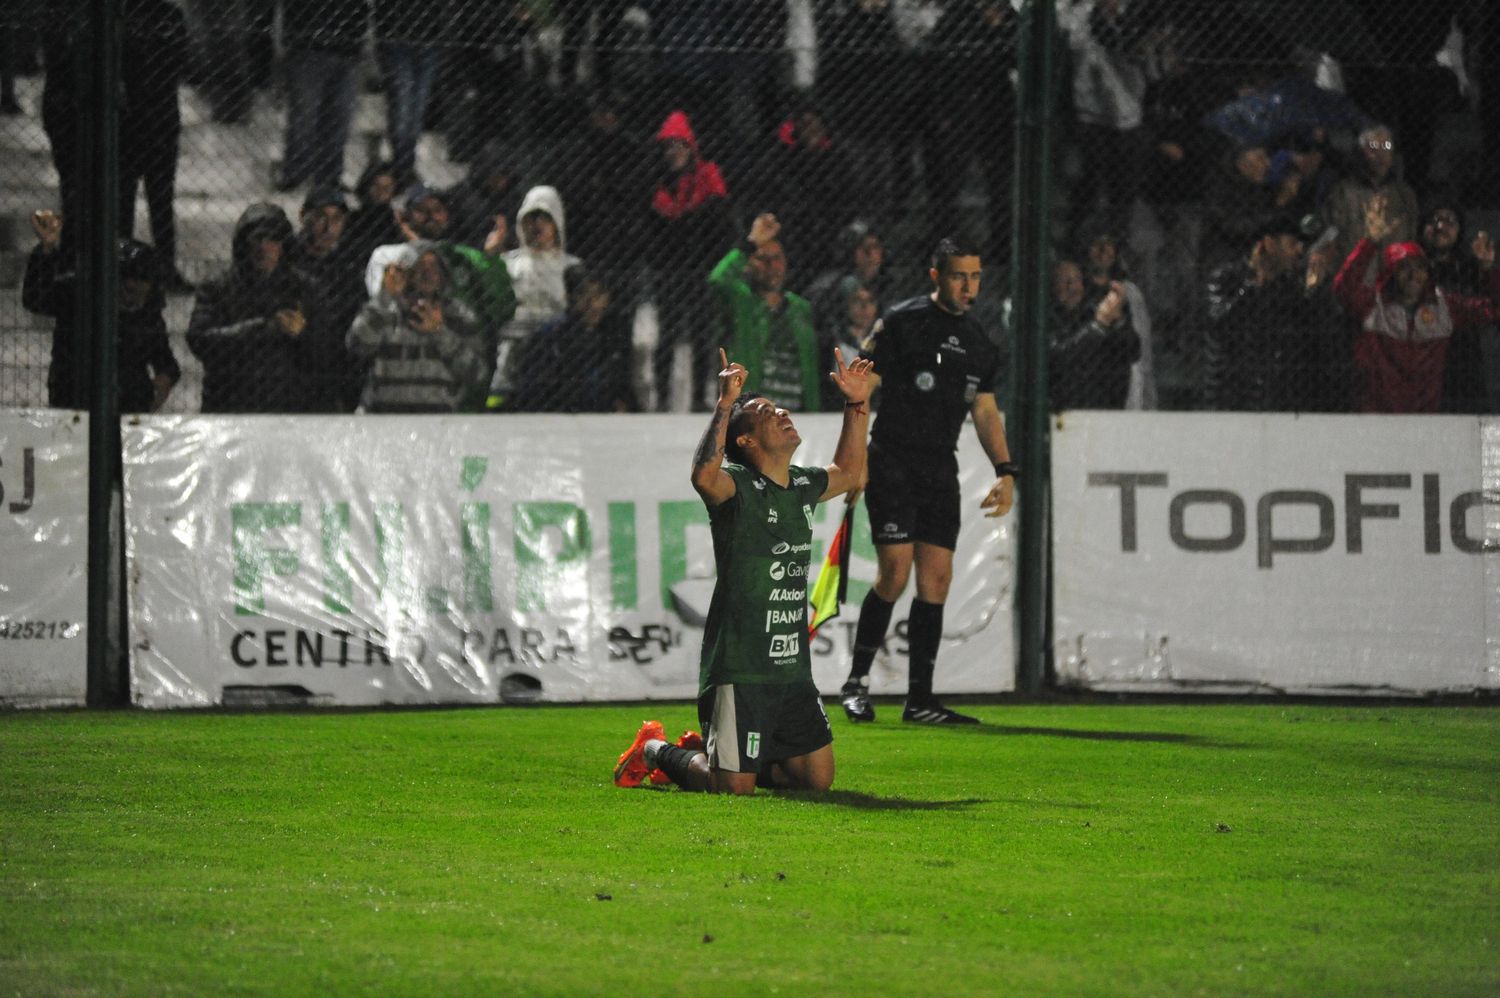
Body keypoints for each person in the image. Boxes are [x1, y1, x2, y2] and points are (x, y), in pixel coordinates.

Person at [612, 347, 876, 794]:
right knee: (732, 790)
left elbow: (850, 472)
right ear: (747, 442)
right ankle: (656, 750)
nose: (782, 412)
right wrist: (724, 405)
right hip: (740, 667)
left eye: (778, 408)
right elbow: (702, 476)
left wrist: (856, 403)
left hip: (792, 668)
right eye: (767, 414)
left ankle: (725, 751)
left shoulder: (802, 486)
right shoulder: (736, 486)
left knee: (816, 781)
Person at [839, 236, 1014, 725]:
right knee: (894, 572)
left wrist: (1006, 471)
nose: (969, 285)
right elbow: (864, 389)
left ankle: (920, 700)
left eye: (976, 276)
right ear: (937, 276)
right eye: (960, 275)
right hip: (892, 459)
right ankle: (856, 683)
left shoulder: (979, 342)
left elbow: (984, 409)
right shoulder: (901, 322)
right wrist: (855, 462)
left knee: (936, 579)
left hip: (940, 466)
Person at [1333, 194, 1500, 414]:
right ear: (1390, 273)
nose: (1413, 275)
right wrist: (1369, 242)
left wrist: (1489, 270)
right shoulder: (1374, 305)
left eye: (1419, 268)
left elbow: (1493, 310)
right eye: (1404, 268)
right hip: (1377, 417)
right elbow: (1343, 289)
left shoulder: (1443, 306)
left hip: (1428, 418)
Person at [22, 211, 180, 413]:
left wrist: (161, 384)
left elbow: (165, 361)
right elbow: (36, 300)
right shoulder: (80, 293)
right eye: (129, 291)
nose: (133, 300)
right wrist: (47, 249)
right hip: (75, 396)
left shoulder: (146, 312)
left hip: (129, 400)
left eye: (142, 293)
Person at [187, 203, 318, 412]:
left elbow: (326, 352)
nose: (264, 247)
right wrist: (265, 329)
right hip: (230, 401)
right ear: (244, 243)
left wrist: (303, 334)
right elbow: (200, 340)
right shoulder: (218, 287)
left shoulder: (303, 288)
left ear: (284, 245)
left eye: (273, 239)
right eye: (257, 238)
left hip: (286, 406)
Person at [1202, 216, 1339, 412]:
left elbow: (1313, 338)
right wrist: (1255, 284)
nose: (1299, 250)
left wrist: (1313, 292)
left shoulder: (1290, 285)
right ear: (1269, 244)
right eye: (1292, 243)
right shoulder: (1226, 277)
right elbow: (1220, 325)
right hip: (1232, 401)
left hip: (1279, 403)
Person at [645, 109, 734, 412]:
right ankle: (661, 402)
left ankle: (699, 400)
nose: (673, 152)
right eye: (668, 147)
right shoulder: (656, 182)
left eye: (678, 146)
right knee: (667, 334)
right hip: (670, 269)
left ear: (690, 147)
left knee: (701, 334)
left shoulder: (707, 177)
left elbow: (721, 224)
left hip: (700, 267)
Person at [347, 244, 488, 413]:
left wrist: (439, 332)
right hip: (382, 416)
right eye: (419, 266)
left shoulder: (458, 314)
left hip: (438, 419)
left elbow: (476, 372)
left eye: (433, 266)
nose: (427, 272)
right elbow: (357, 345)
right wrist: (385, 297)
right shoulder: (386, 309)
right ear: (406, 273)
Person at [707, 214, 825, 413]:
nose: (771, 266)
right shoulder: (743, 302)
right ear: (747, 264)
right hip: (752, 412)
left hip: (796, 413)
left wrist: (814, 410)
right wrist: (752, 242)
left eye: (777, 258)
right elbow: (719, 279)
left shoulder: (801, 309)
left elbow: (810, 368)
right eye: (762, 258)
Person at [490, 185, 583, 408]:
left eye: (545, 217)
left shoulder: (571, 266)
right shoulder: (507, 263)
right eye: (531, 218)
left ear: (556, 222)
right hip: (512, 342)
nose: (537, 224)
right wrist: (490, 256)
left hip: (556, 344)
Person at [512, 266, 639, 412]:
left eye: (599, 296)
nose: (593, 305)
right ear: (569, 297)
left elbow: (623, 384)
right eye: (583, 296)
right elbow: (533, 390)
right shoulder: (550, 336)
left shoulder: (614, 333)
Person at [285, 186, 365, 412]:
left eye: (336, 219)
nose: (328, 227)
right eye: (321, 217)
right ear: (303, 216)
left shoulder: (347, 268)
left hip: (333, 368)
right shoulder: (286, 262)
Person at [1048, 258, 1139, 411]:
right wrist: (1099, 325)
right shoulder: (1045, 318)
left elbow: (1134, 352)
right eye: (1066, 282)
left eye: (1077, 280)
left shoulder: (1092, 310)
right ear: (1053, 286)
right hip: (1061, 410)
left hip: (1102, 408)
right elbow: (1061, 358)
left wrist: (1118, 320)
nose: (1073, 288)